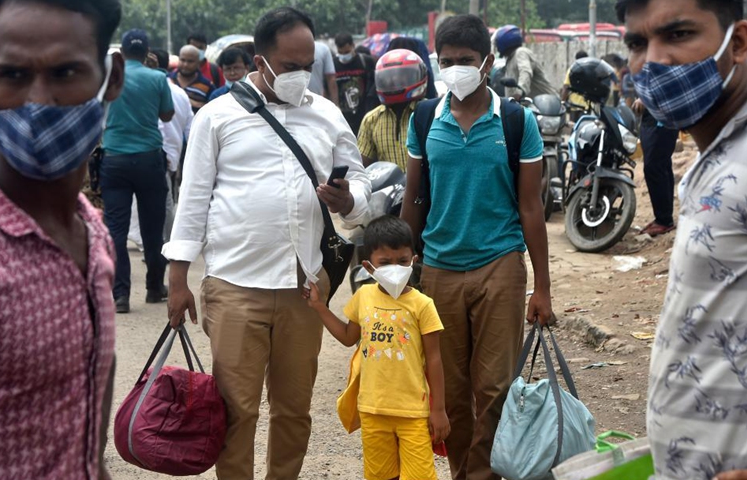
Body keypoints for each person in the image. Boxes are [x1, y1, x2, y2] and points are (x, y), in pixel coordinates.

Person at [163, 7, 371, 479]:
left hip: (305, 290)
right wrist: (178, 278)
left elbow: (360, 186)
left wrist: (348, 199)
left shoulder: (327, 115)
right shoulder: (216, 117)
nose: (301, 76)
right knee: (236, 413)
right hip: (236, 286)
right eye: (290, 66)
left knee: (294, 412)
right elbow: (192, 200)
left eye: (307, 66)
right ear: (261, 62)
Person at [619, 0, 747, 479]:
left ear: (738, 43)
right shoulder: (722, 146)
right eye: (637, 43)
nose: (652, 60)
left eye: (678, 34)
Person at [402, 14, 553, 480]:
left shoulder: (515, 121)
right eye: (446, 61)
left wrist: (542, 289)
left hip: (500, 266)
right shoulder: (425, 117)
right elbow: (413, 201)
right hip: (439, 270)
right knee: (449, 388)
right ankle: (464, 472)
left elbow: (531, 208)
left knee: (495, 388)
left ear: (487, 62)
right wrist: (399, 271)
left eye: (465, 60)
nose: (455, 69)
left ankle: (483, 474)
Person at [0, 0, 123, 477]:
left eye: (65, 73)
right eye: (13, 76)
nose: (38, 100)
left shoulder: (91, 230)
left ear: (112, 78)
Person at [304, 215, 450, 480]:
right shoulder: (363, 297)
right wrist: (319, 307)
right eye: (385, 262)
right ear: (369, 267)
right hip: (373, 410)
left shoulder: (423, 305)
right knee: (381, 475)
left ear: (413, 260)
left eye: (402, 261)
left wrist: (438, 410)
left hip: (414, 412)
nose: (395, 267)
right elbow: (349, 337)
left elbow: (435, 359)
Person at [102, 29, 173, 314]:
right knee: (152, 229)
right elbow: (167, 114)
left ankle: (120, 296)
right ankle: (154, 288)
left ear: (122, 54)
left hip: (114, 158)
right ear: (146, 54)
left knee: (116, 231)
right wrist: (154, 76)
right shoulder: (157, 77)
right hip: (148, 159)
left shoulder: (110, 78)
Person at [129, 48, 193, 249]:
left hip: (150, 153)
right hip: (167, 156)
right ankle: (161, 242)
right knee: (164, 199)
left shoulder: (135, 89)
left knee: (155, 201)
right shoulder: (180, 93)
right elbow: (189, 129)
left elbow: (160, 125)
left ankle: (158, 243)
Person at [357, 48, 428, 171]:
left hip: (428, 187)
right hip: (389, 189)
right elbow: (361, 166)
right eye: (389, 78)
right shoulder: (371, 119)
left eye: (403, 77)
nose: (395, 82)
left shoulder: (431, 112)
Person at [632, 99, 678, 237]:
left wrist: (647, 98)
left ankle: (664, 220)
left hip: (661, 117)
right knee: (662, 164)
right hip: (652, 117)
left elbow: (666, 81)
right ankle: (664, 217)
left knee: (654, 166)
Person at [495, 24, 557, 100]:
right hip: (533, 106)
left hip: (547, 104)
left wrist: (520, 90)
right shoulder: (510, 59)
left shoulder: (521, 52)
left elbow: (525, 71)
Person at [334, 32, 378, 135]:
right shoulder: (334, 64)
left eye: (347, 52)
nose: (344, 56)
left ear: (353, 46)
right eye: (341, 52)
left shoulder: (366, 61)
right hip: (343, 118)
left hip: (364, 114)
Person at [171, 44, 214, 112]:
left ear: (198, 63)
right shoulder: (168, 80)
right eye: (183, 60)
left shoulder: (207, 86)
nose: (185, 65)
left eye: (190, 61)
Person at [308, 40, 340, 105]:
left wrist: (335, 105)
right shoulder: (286, 48)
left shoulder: (322, 49)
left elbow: (331, 79)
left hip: (317, 102)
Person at [562, 50, 591, 120]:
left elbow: (566, 87)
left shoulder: (572, 70)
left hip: (574, 106)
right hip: (586, 106)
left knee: (573, 127)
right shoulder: (590, 71)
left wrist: (562, 101)